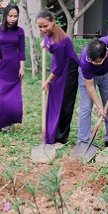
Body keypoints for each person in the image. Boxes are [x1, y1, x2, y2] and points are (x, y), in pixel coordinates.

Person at [36, 10, 79, 146]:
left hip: (68, 70)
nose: (43, 29)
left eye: (45, 26)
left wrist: (48, 81)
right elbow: (47, 41)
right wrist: (44, 43)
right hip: (59, 69)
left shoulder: (59, 42)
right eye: (40, 27)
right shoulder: (51, 33)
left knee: (64, 103)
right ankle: (52, 133)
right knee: (55, 99)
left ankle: (60, 138)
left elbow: (58, 68)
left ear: (53, 22)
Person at [0, 4, 25, 131]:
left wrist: (22, 67)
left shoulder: (20, 31)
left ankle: (9, 123)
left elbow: (22, 51)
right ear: (5, 16)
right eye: (10, 16)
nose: (13, 19)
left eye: (15, 16)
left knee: (12, 97)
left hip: (13, 66)